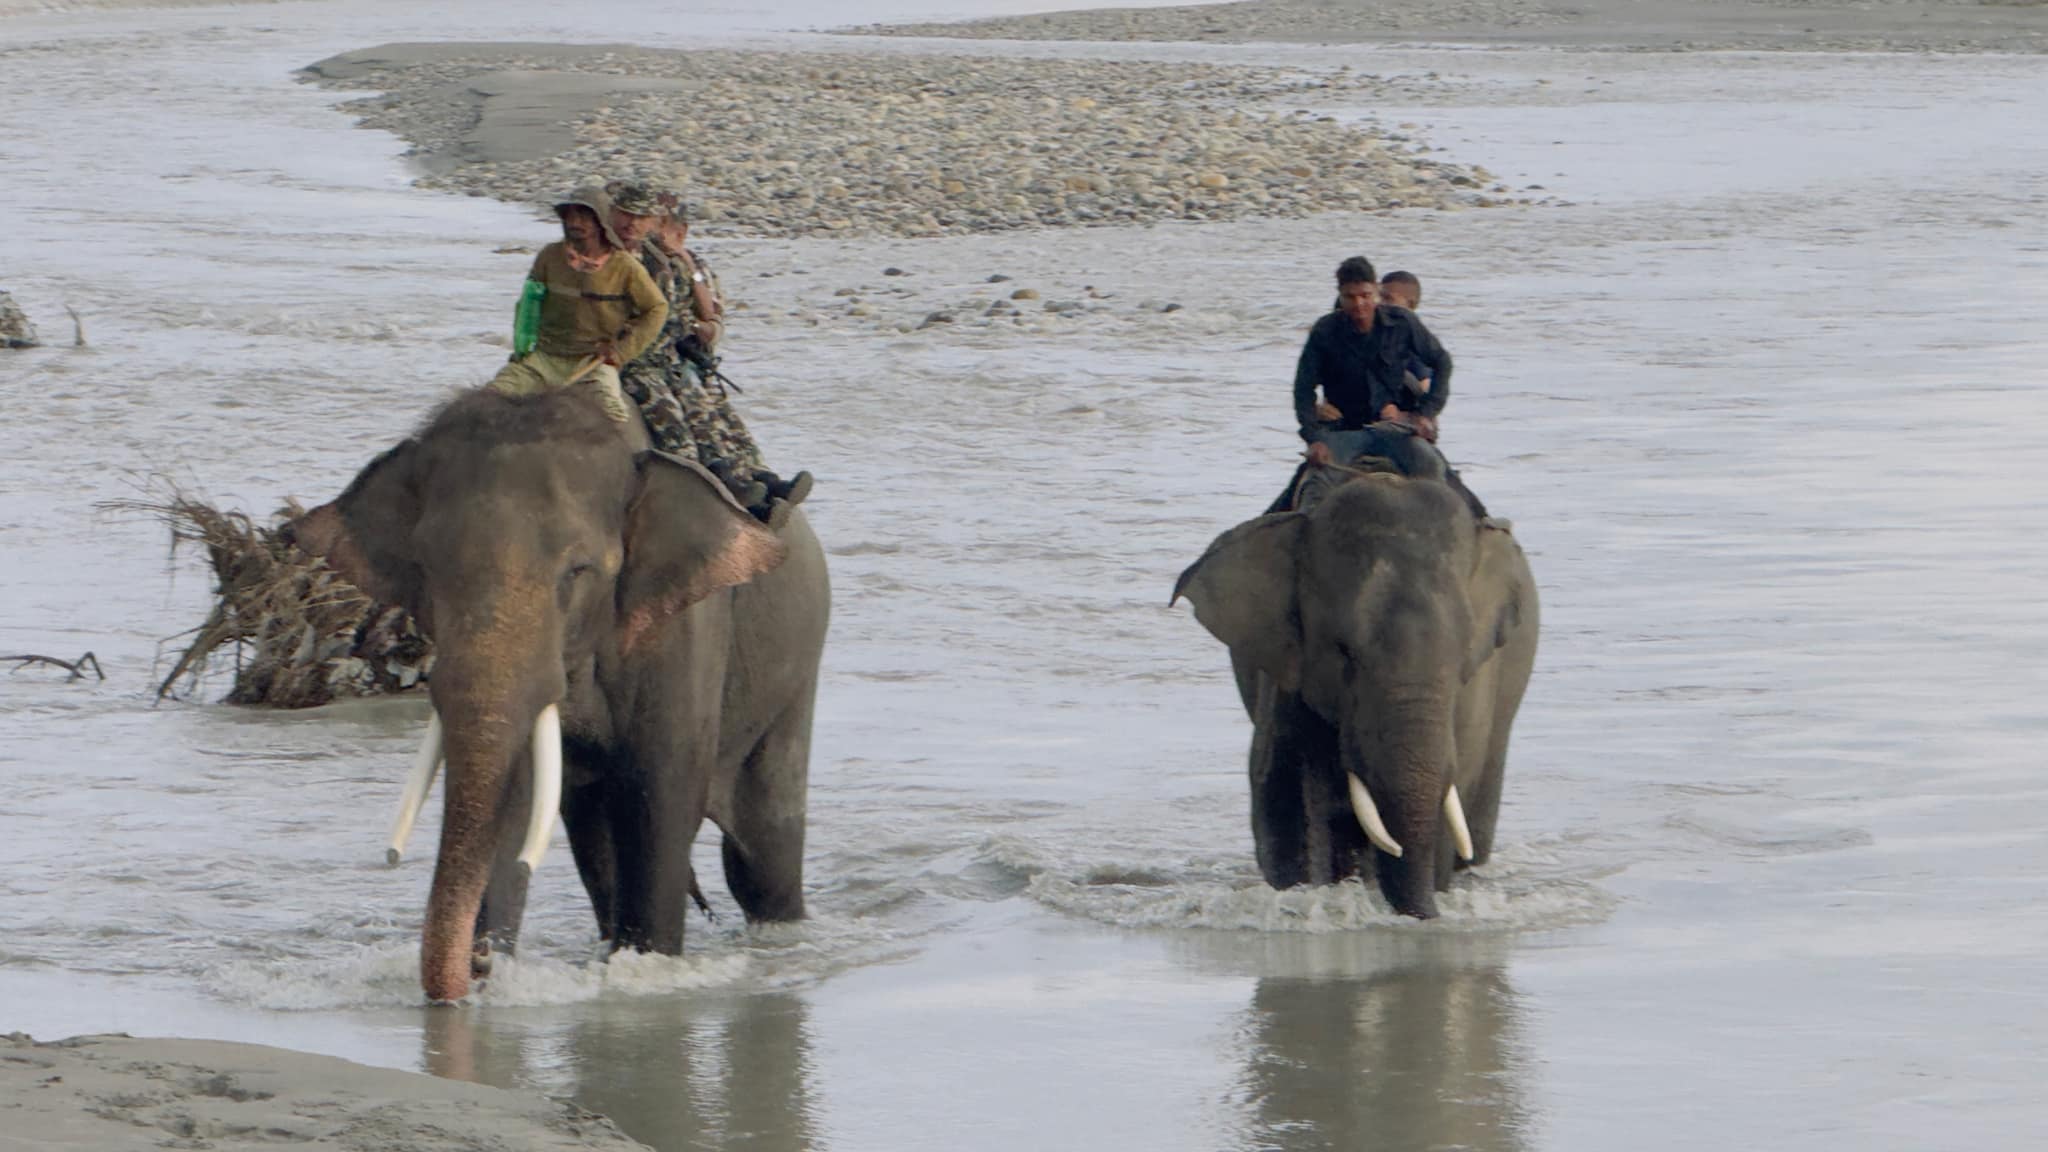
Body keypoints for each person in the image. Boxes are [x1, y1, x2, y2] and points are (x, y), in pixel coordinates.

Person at [611, 179, 809, 523]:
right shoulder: (607, 259)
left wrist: (687, 267)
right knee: (674, 424)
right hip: (636, 362)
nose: (635, 225)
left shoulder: (669, 264)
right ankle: (713, 489)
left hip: (671, 361)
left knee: (711, 414)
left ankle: (752, 478)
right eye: (626, 215)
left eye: (643, 218)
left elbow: (707, 315)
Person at [1273, 256, 1484, 517]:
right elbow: (1303, 389)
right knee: (1316, 483)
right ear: (1340, 296)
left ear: (1375, 291)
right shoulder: (1324, 332)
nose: (1359, 304)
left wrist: (1426, 413)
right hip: (1344, 431)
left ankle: (1481, 522)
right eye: (1350, 297)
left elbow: (1442, 362)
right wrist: (1314, 438)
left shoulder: (1403, 324)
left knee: (1432, 467)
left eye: (1365, 295)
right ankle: (1292, 533)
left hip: (1394, 431)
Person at [491, 186, 666, 425]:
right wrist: (522, 351)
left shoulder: (624, 266)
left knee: (613, 417)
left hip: (591, 362)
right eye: (569, 215)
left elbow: (657, 308)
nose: (575, 222)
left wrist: (621, 351)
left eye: (584, 216)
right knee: (488, 401)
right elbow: (528, 305)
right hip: (543, 360)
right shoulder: (549, 257)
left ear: (600, 221)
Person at [1378, 269, 1436, 402]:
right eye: (1379, 297)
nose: (1381, 304)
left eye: (1388, 299)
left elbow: (1425, 385)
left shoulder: (1416, 341)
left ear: (1410, 305)